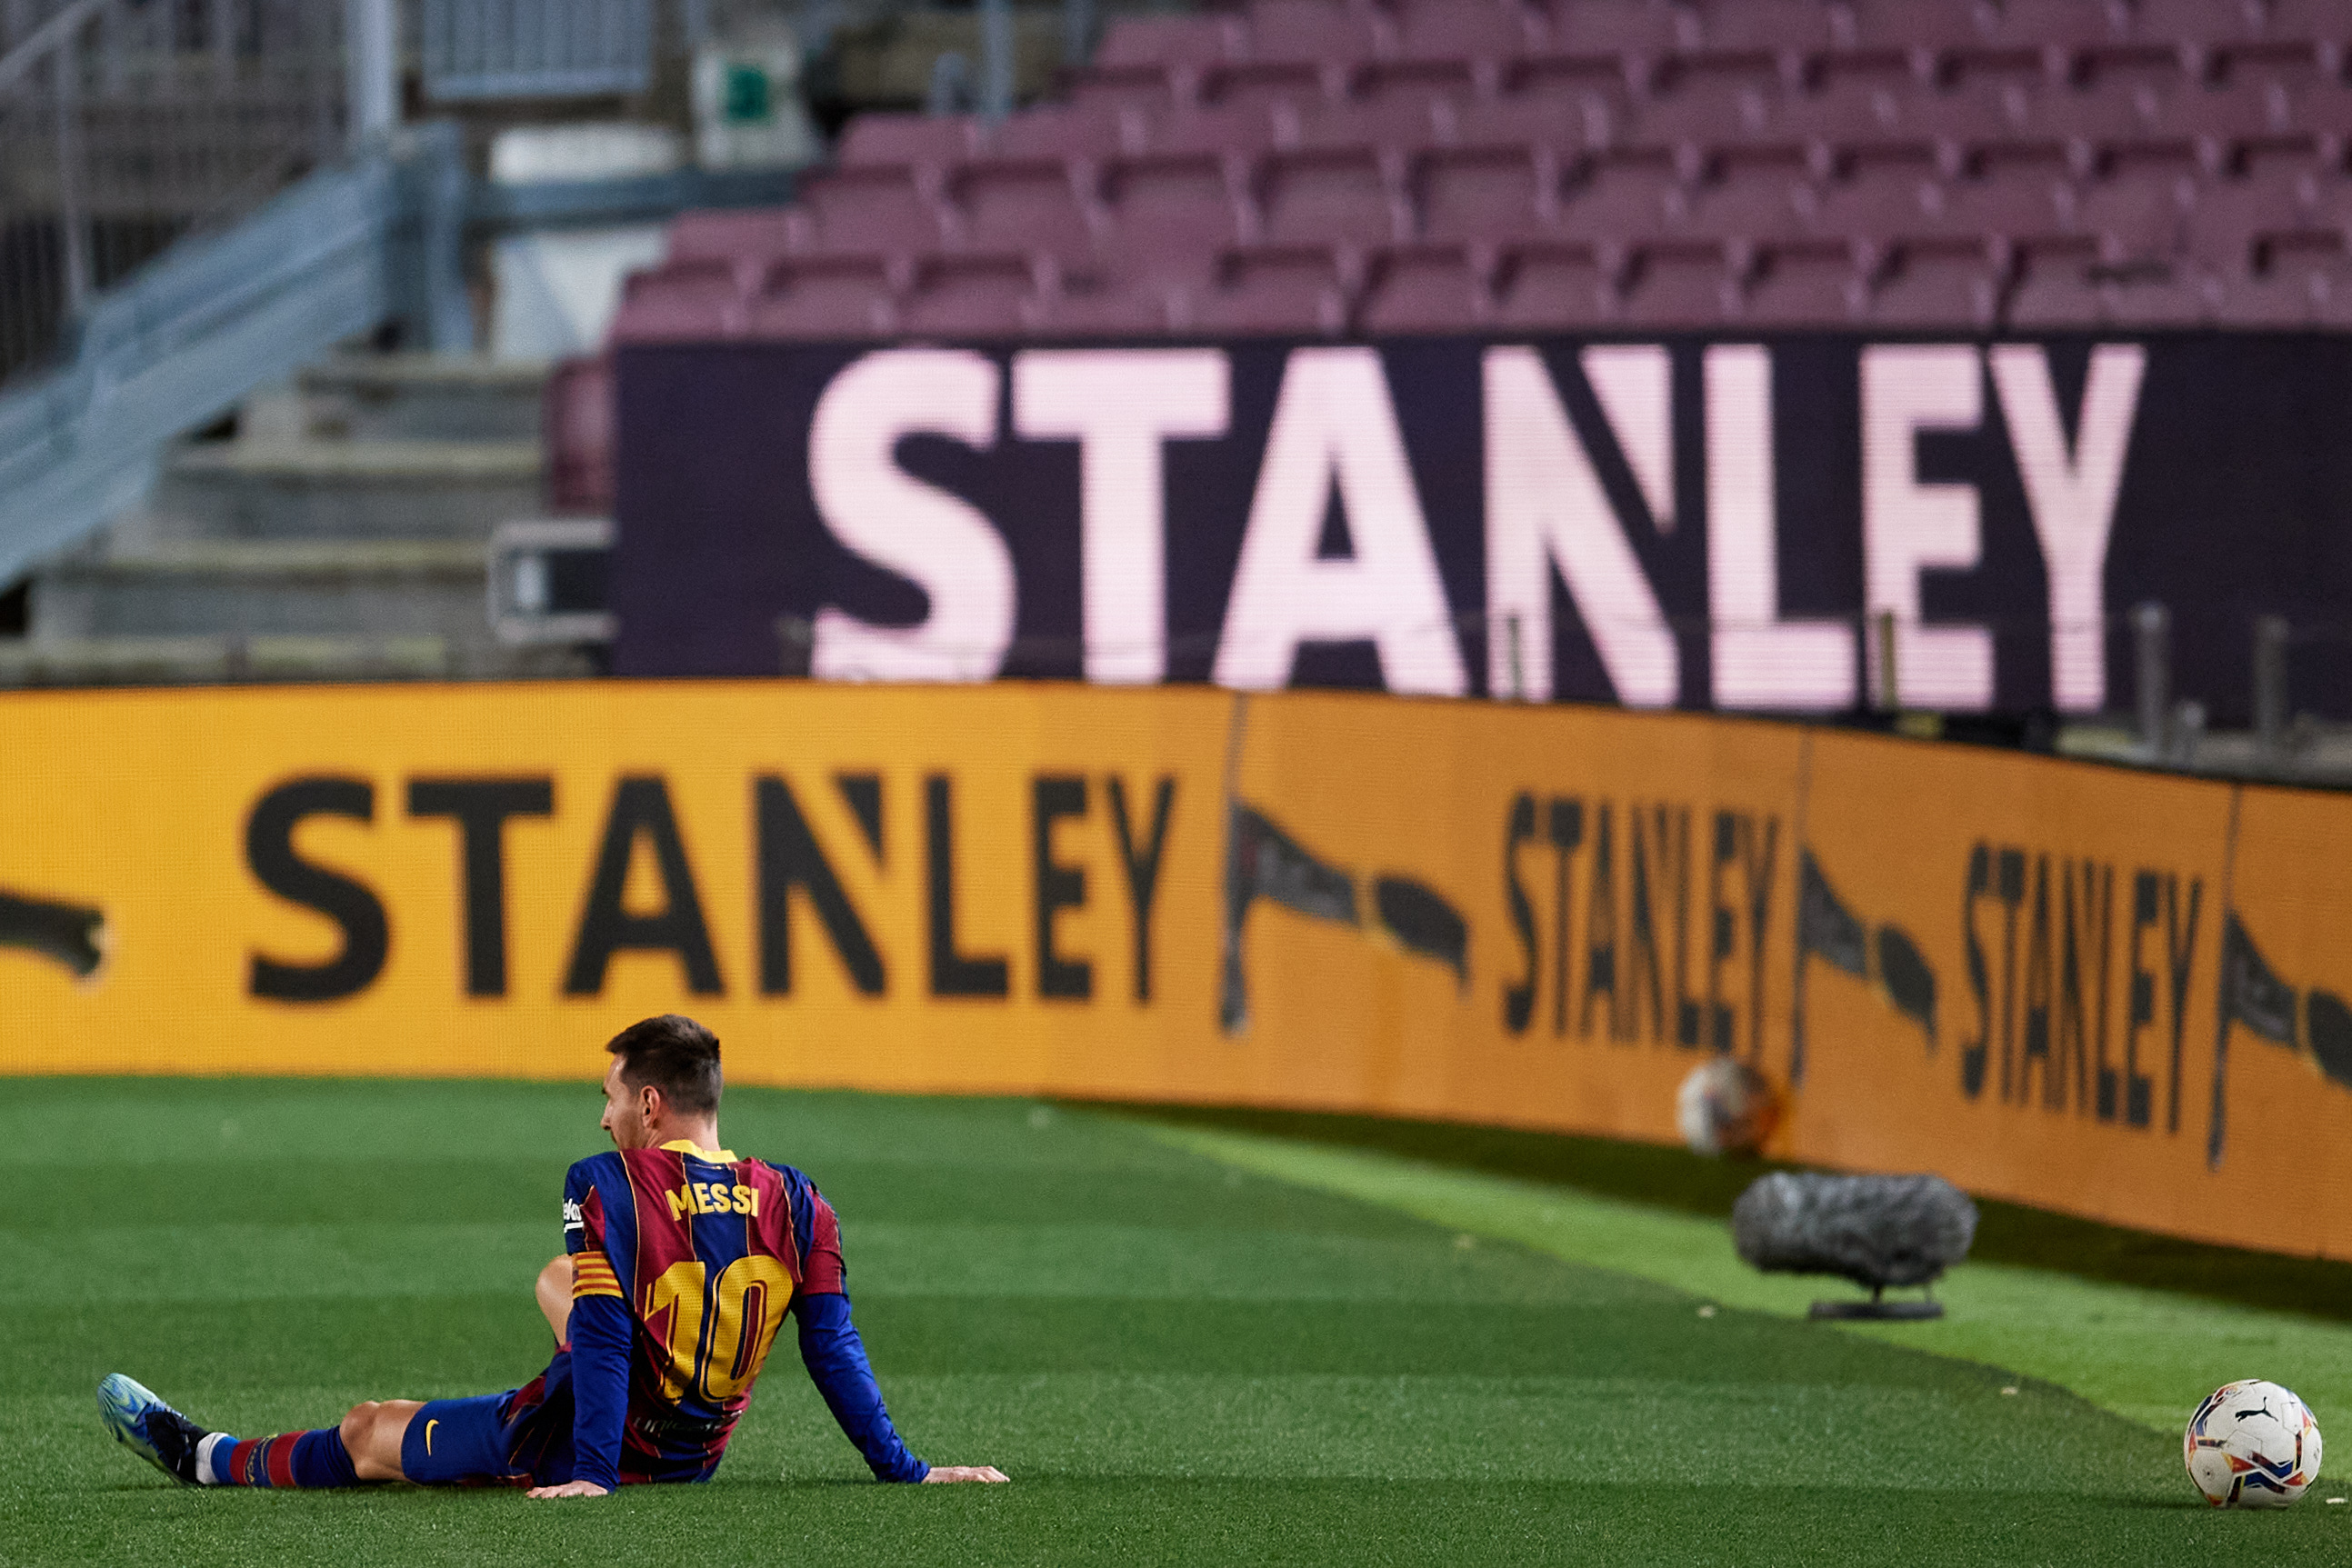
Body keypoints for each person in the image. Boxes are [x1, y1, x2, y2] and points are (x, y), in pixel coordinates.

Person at [97, 1014, 1008, 1497]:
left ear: (649, 1107)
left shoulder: (604, 1180)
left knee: (369, 1430)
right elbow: (830, 1348)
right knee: (557, 1278)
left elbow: (607, 1337)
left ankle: (205, 1459)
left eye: (609, 1096)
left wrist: (590, 1474)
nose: (599, 1115)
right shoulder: (800, 1198)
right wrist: (906, 1468)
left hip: (585, 1438)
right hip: (696, 1453)